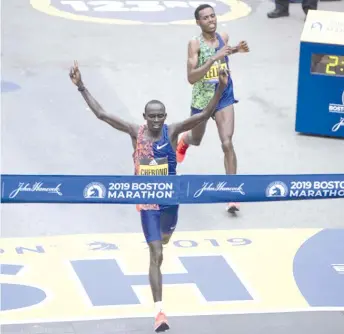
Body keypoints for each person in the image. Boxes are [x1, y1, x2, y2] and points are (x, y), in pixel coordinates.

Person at [69, 60, 228, 333]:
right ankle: (159, 313)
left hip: (170, 201)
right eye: (152, 116)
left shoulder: (173, 130)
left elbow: (204, 115)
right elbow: (103, 115)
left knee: (164, 241)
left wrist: (221, 89)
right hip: (147, 202)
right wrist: (81, 86)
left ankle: (163, 239)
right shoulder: (135, 132)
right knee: (156, 253)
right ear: (144, 116)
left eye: (160, 116)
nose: (156, 120)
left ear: (165, 116)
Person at [175, 4, 249, 214]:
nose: (211, 20)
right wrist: (212, 59)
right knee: (196, 139)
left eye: (213, 16)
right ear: (198, 22)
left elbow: (225, 53)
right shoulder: (194, 44)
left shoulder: (223, 36)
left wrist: (236, 50)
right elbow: (191, 78)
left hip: (224, 95)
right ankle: (184, 141)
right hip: (202, 99)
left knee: (227, 142)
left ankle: (232, 194)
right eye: (206, 18)